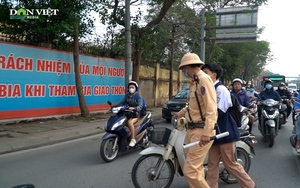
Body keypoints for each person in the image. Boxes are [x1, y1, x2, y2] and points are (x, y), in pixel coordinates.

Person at [201, 63, 256, 188]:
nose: (202, 76)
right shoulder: (210, 89)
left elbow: (218, 111)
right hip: (214, 132)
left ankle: (250, 185)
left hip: (225, 131)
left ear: (213, 75)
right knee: (212, 164)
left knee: (230, 163)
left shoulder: (221, 90)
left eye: (205, 73)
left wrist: (203, 118)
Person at [173, 53, 218, 188]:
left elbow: (211, 108)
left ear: (187, 67)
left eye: (183, 69)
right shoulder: (196, 81)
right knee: (196, 170)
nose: (183, 72)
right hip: (191, 130)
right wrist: (179, 114)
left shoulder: (204, 80)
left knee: (190, 171)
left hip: (201, 130)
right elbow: (193, 107)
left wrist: (207, 132)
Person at [117, 81, 143, 147]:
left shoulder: (138, 96)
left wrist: (134, 108)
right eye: (130, 87)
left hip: (135, 114)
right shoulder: (127, 95)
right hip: (127, 113)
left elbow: (140, 106)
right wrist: (114, 107)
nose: (131, 88)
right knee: (120, 121)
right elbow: (121, 103)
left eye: (132, 87)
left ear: (135, 88)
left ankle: (133, 139)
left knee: (129, 122)